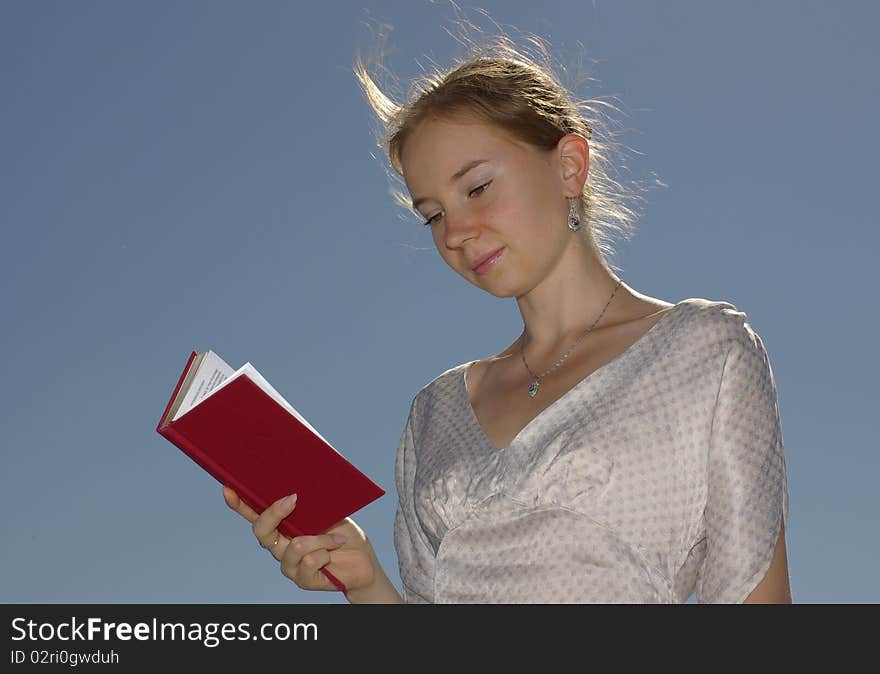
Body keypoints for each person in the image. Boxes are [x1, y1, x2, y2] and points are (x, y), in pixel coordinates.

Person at [222, 30, 791, 604]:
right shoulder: (434, 412)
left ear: (570, 166)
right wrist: (364, 579)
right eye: (434, 214)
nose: (456, 232)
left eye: (478, 187)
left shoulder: (704, 353)